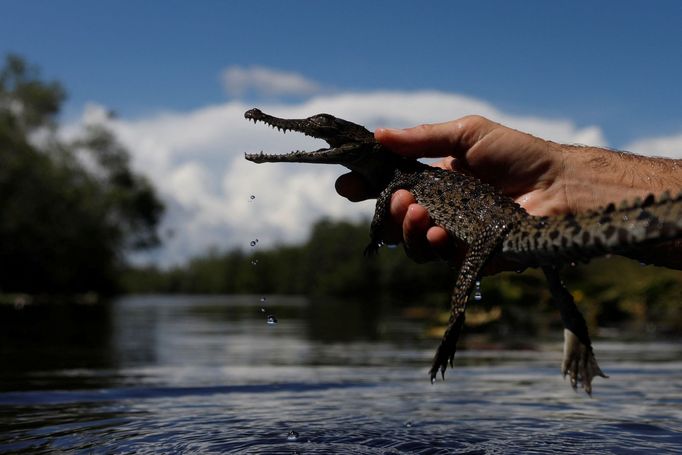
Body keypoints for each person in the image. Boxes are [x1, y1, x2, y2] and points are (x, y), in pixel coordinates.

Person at [335, 115, 682, 270]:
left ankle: (451, 334)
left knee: (472, 265)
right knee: (546, 266)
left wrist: (374, 237)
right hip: (511, 227)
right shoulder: (403, 179)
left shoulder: (397, 180)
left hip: (504, 229)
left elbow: (384, 211)